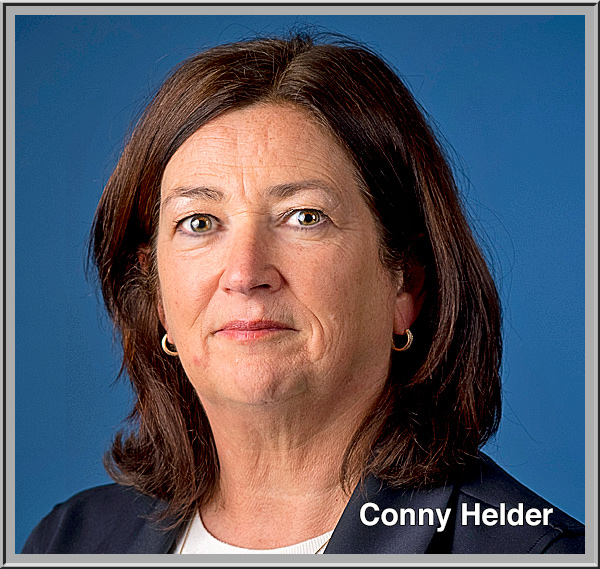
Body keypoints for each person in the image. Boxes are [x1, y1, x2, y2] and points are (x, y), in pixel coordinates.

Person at [21, 33, 584, 555]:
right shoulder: (69, 543)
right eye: (199, 222)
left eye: (304, 217)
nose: (245, 273)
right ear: (157, 295)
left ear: (405, 282)